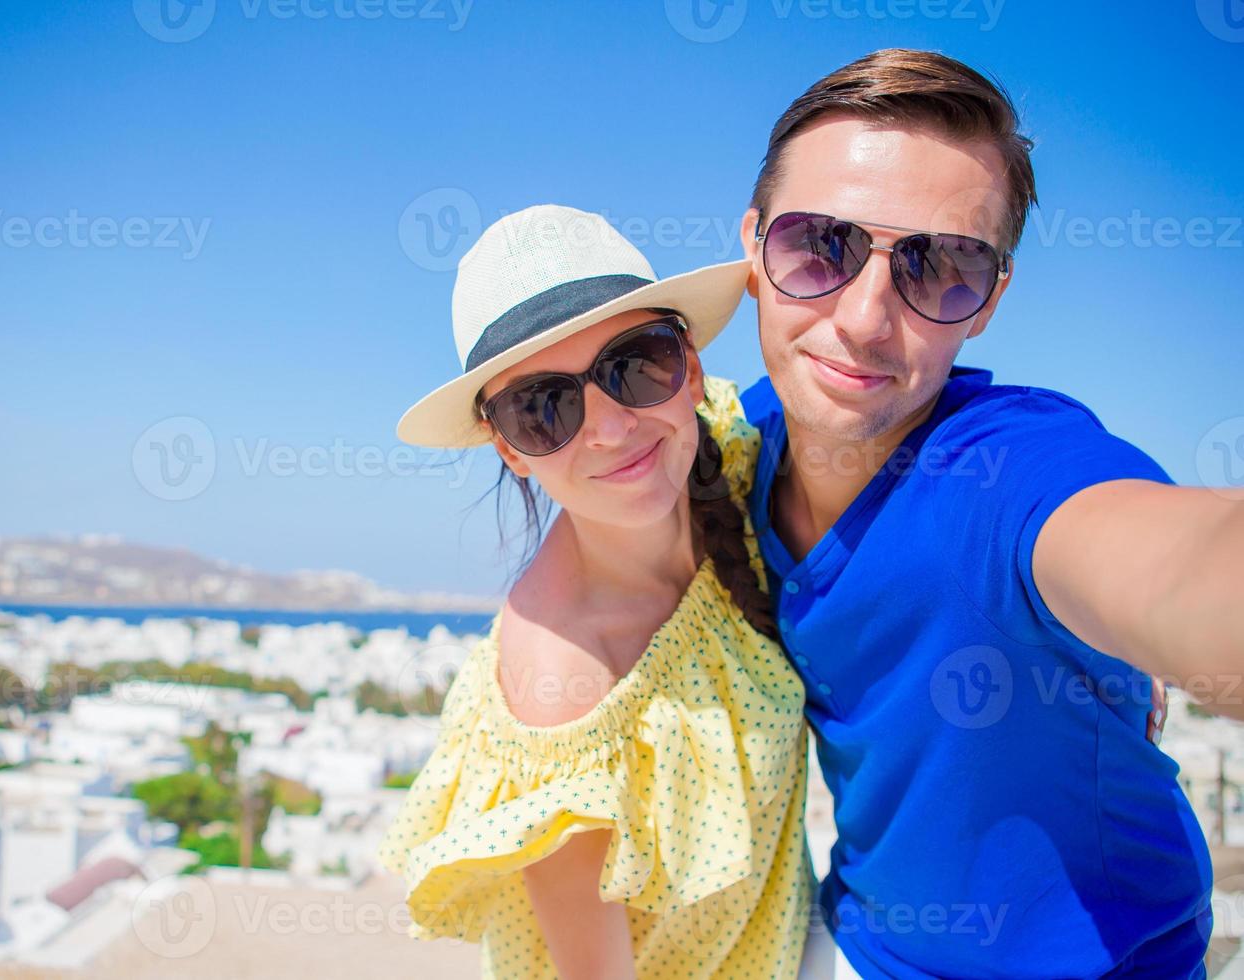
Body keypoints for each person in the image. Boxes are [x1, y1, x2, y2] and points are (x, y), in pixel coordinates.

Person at [736, 48, 1232, 977]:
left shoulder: (1005, 469)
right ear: (754, 249)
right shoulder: (734, 443)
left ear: (990, 302)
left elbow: (1175, 562)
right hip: (859, 945)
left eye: (940, 266)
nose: (865, 318)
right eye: (821, 245)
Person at [377, 204, 813, 978]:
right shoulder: (563, 696)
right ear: (507, 446)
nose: (611, 429)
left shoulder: (735, 459)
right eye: (545, 407)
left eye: (637, 365)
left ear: (692, 369)